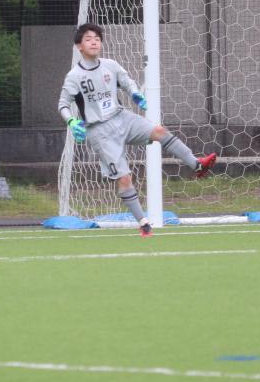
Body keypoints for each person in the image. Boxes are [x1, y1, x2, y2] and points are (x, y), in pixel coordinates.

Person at [58, 22, 217, 236]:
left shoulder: (110, 65)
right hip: (100, 132)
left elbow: (127, 82)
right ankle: (143, 223)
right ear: (79, 46)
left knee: (159, 131)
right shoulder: (74, 76)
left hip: (121, 117)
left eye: (97, 38)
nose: (94, 42)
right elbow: (63, 104)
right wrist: (71, 121)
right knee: (124, 178)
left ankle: (197, 165)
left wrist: (135, 93)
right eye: (88, 39)